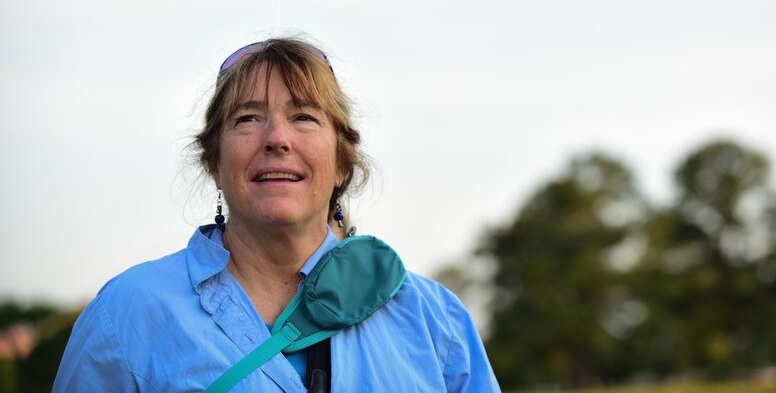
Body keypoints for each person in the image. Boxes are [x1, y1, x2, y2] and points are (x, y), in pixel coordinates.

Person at [53, 38, 500, 392]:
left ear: (343, 162)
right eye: (248, 119)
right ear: (214, 162)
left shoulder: (434, 320)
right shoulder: (127, 314)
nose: (277, 139)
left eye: (304, 116)